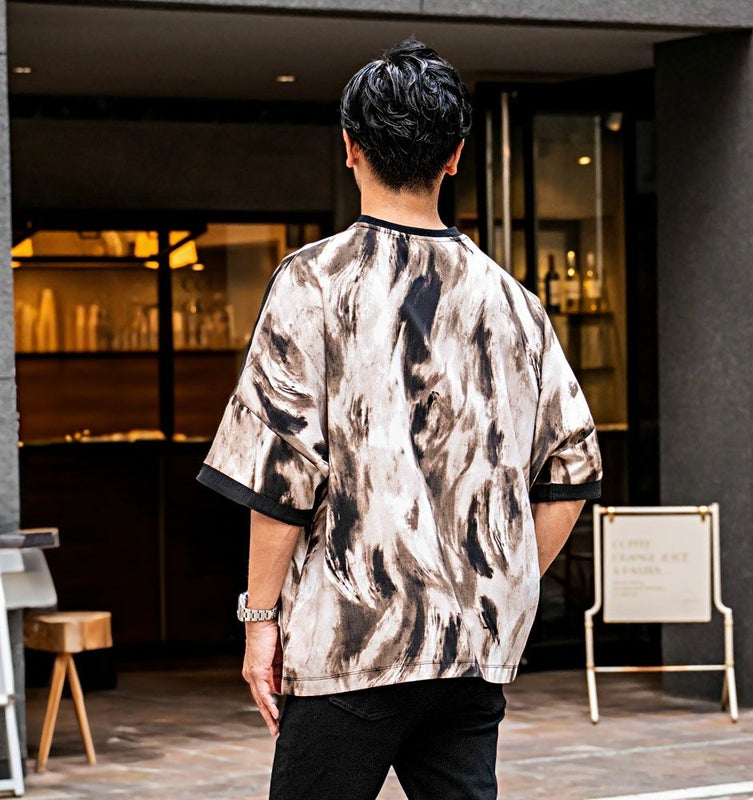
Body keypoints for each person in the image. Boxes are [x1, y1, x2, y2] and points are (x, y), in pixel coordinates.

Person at [197, 38, 602, 800]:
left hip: (351, 640)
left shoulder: (314, 283)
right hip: (469, 650)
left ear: (350, 147)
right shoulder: (514, 302)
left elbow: (281, 470)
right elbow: (573, 464)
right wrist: (498, 579)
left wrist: (259, 620)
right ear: (454, 156)